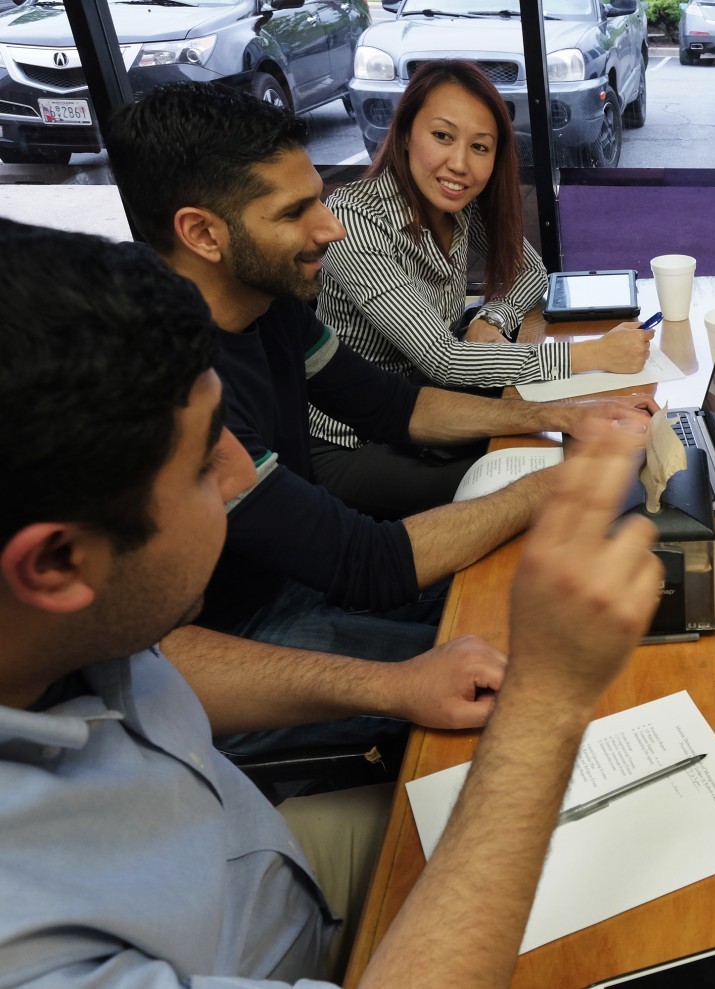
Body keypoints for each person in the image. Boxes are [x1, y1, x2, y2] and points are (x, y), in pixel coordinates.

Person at [0, 217, 662, 987]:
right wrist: (547, 700)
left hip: (269, 868)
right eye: (201, 464)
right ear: (55, 562)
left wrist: (393, 682)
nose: (242, 475)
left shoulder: (67, 628)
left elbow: (162, 665)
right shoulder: (30, 950)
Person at [104, 84, 656, 742]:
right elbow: (366, 561)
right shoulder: (173, 386)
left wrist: (570, 416)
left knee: (572, 614)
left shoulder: (267, 303)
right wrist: (561, 482)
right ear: (200, 232)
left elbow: (395, 407)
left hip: (301, 582)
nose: (327, 226)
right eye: (295, 212)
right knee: (552, 677)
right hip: (244, 642)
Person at [314, 60, 654, 518]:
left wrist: (491, 318)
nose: (459, 163)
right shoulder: (355, 220)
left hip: (439, 412)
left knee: (590, 448)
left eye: (480, 146)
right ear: (403, 132)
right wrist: (594, 355)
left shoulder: (456, 206)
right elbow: (444, 359)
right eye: (442, 136)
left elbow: (531, 273)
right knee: (568, 478)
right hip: (357, 443)